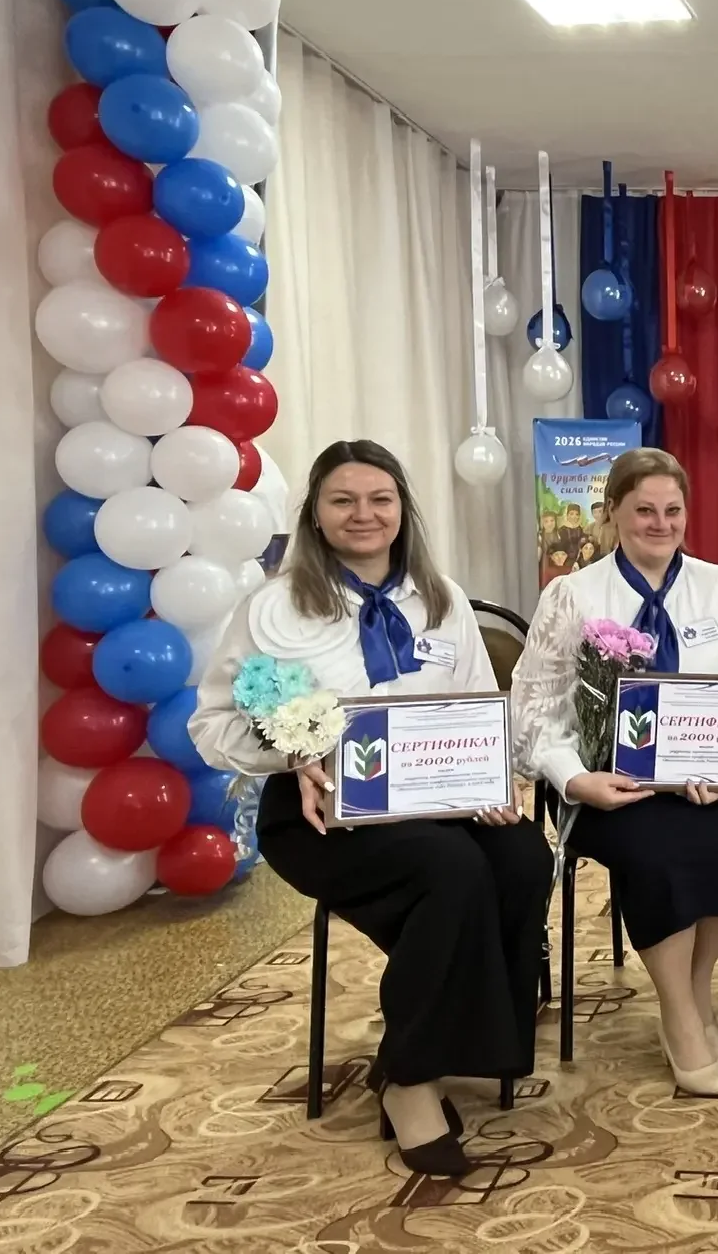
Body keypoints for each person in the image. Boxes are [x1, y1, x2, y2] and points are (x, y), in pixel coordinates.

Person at [190, 440, 552, 1179]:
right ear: (316, 515)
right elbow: (213, 725)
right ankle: (410, 1078)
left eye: (380, 499)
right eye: (343, 500)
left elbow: (478, 706)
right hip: (322, 814)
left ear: (402, 511)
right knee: (449, 873)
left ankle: (461, 1044)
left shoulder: (442, 598)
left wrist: (492, 781)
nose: (364, 514)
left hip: (439, 799)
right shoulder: (272, 607)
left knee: (521, 859)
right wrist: (294, 752)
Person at [509, 449, 718, 1097]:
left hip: (709, 779)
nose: (660, 523)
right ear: (613, 513)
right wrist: (575, 779)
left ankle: (694, 986)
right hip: (609, 784)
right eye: (644, 510)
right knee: (656, 853)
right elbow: (533, 711)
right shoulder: (572, 595)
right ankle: (681, 1018)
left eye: (672, 510)